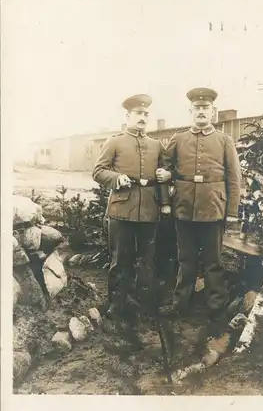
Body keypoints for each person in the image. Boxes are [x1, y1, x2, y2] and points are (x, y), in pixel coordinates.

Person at [156, 87, 241, 334]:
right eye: (197, 108)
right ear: (190, 111)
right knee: (186, 260)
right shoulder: (178, 139)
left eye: (205, 108)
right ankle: (181, 304)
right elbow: (164, 171)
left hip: (214, 208)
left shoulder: (224, 141)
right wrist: (167, 193)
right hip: (184, 209)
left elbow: (234, 178)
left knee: (214, 262)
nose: (201, 112)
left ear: (213, 112)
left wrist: (232, 210)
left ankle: (216, 310)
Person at [92, 94, 171, 318]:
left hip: (149, 209)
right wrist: (116, 178)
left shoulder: (156, 145)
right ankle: (117, 305)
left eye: (146, 114)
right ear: (128, 116)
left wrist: (164, 203)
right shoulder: (114, 142)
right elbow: (98, 171)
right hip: (121, 209)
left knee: (147, 260)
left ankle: (143, 306)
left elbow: (161, 177)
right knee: (120, 260)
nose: (143, 117)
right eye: (138, 113)